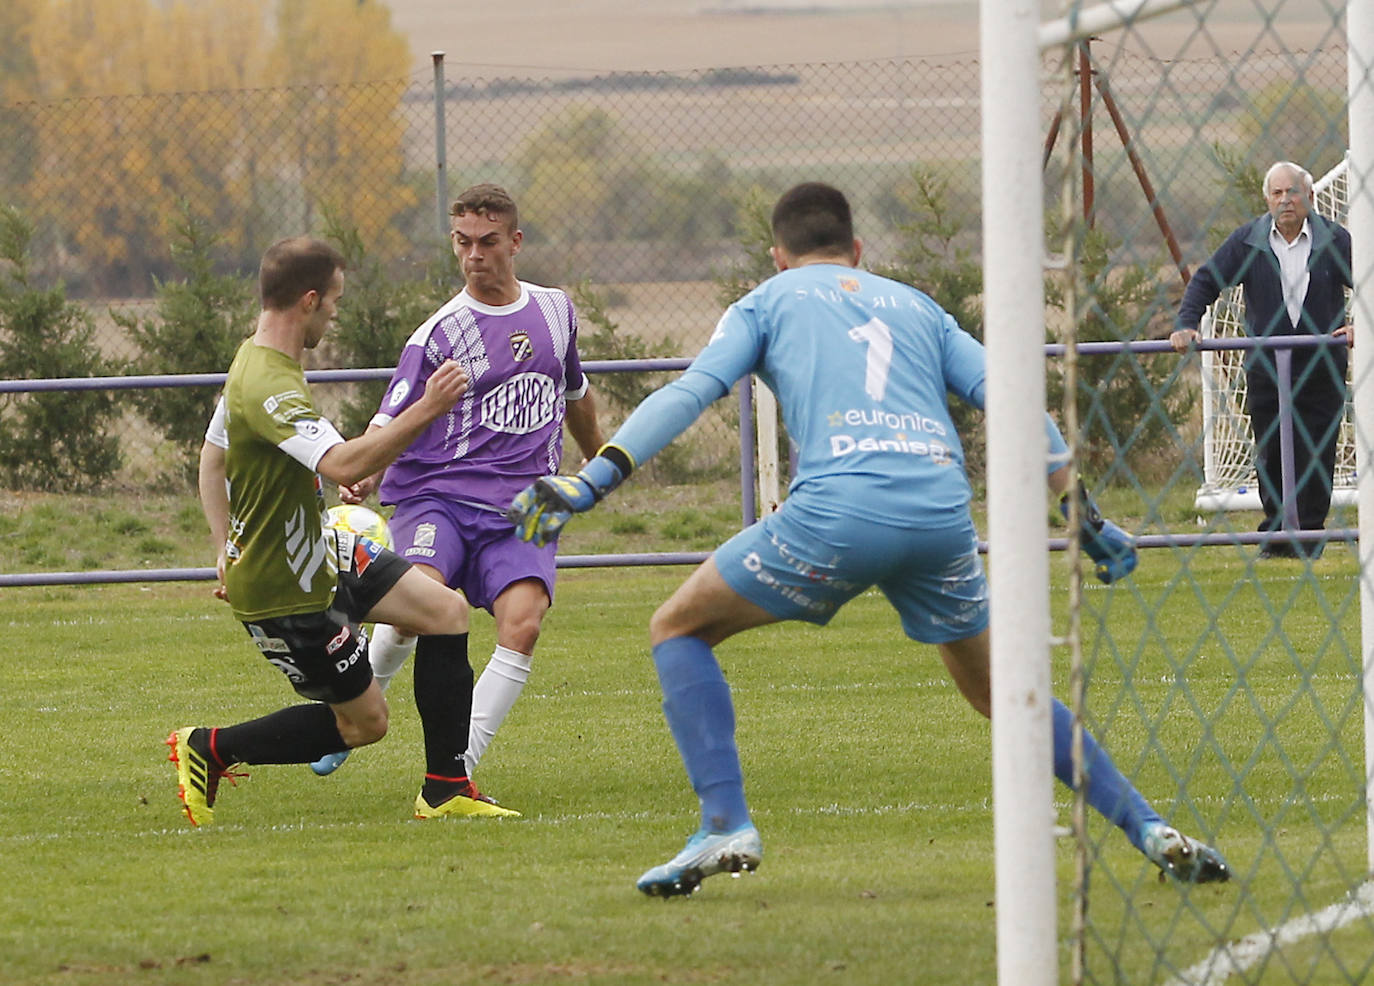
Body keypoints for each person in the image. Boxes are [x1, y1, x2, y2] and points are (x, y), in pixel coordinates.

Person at [508, 182, 1231, 896]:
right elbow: (1012, 394)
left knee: (677, 627)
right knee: (1005, 692)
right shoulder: (917, 306)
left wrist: (591, 480)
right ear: (856, 250)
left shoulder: (766, 300)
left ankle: (725, 820)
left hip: (836, 514)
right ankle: (1147, 826)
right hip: (941, 516)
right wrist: (1081, 511)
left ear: (778, 256)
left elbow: (689, 392)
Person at [172, 235, 518, 826]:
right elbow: (343, 464)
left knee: (445, 613)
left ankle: (446, 787)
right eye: (333, 302)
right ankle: (208, 747)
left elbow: (211, 458)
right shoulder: (268, 387)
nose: (334, 313)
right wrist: (427, 408)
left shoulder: (256, 360)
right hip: (288, 588)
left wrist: (223, 546)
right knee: (364, 725)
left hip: (324, 552)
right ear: (308, 301)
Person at [308, 183, 605, 784]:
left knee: (523, 624)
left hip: (533, 499)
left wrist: (601, 459)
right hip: (437, 494)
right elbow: (388, 419)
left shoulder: (557, 310)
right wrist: (364, 471)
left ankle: (457, 767)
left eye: (488, 242)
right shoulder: (439, 333)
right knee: (415, 608)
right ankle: (347, 713)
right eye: (463, 242)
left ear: (514, 242)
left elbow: (575, 393)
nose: (474, 255)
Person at [1171, 161, 1353, 559]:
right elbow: (1205, 281)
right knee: (1270, 448)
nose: (1285, 200)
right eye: (1277, 193)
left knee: (1318, 447)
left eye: (1293, 192)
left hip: (1322, 364)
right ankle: (1276, 535)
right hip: (1267, 367)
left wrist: (1363, 330)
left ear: (1309, 195)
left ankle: (1308, 535)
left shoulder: (1335, 239)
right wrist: (1186, 323)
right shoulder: (1248, 241)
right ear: (1266, 199)